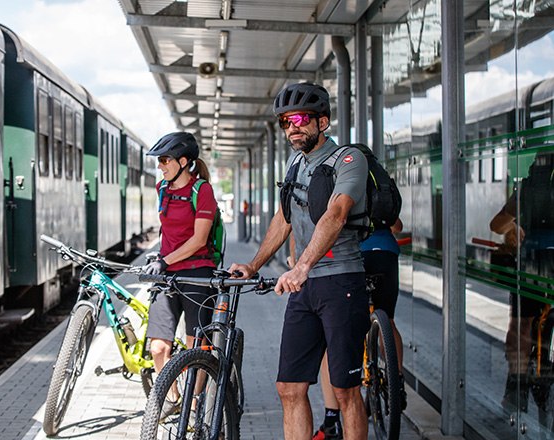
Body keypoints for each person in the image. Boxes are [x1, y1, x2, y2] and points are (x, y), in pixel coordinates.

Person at [229, 82, 370, 440]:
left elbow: (336, 214)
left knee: (345, 391)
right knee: (289, 388)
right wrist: (255, 265)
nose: (292, 127)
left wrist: (302, 266)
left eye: (301, 119)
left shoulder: (349, 160)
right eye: (286, 122)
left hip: (342, 284)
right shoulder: (295, 164)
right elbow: (283, 218)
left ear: (322, 122)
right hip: (305, 288)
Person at [142, 131, 218, 419]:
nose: (160, 166)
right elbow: (169, 232)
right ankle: (173, 397)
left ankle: (196, 401)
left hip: (198, 273)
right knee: (159, 346)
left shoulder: (203, 191)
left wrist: (165, 260)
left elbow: (199, 240)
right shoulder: (163, 187)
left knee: (195, 348)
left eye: (164, 160)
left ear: (184, 161)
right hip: (167, 274)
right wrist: (158, 257)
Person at [312, 219, 405, 440]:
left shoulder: (341, 191)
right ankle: (396, 383)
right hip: (386, 253)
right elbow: (397, 226)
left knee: (332, 338)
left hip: (351, 257)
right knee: (388, 320)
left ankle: (332, 419)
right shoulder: (379, 185)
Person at [489, 152, 554, 414]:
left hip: (529, 262)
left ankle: (515, 389)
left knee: (521, 324)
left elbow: (497, 224)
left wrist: (514, 230)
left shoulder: (527, 186)